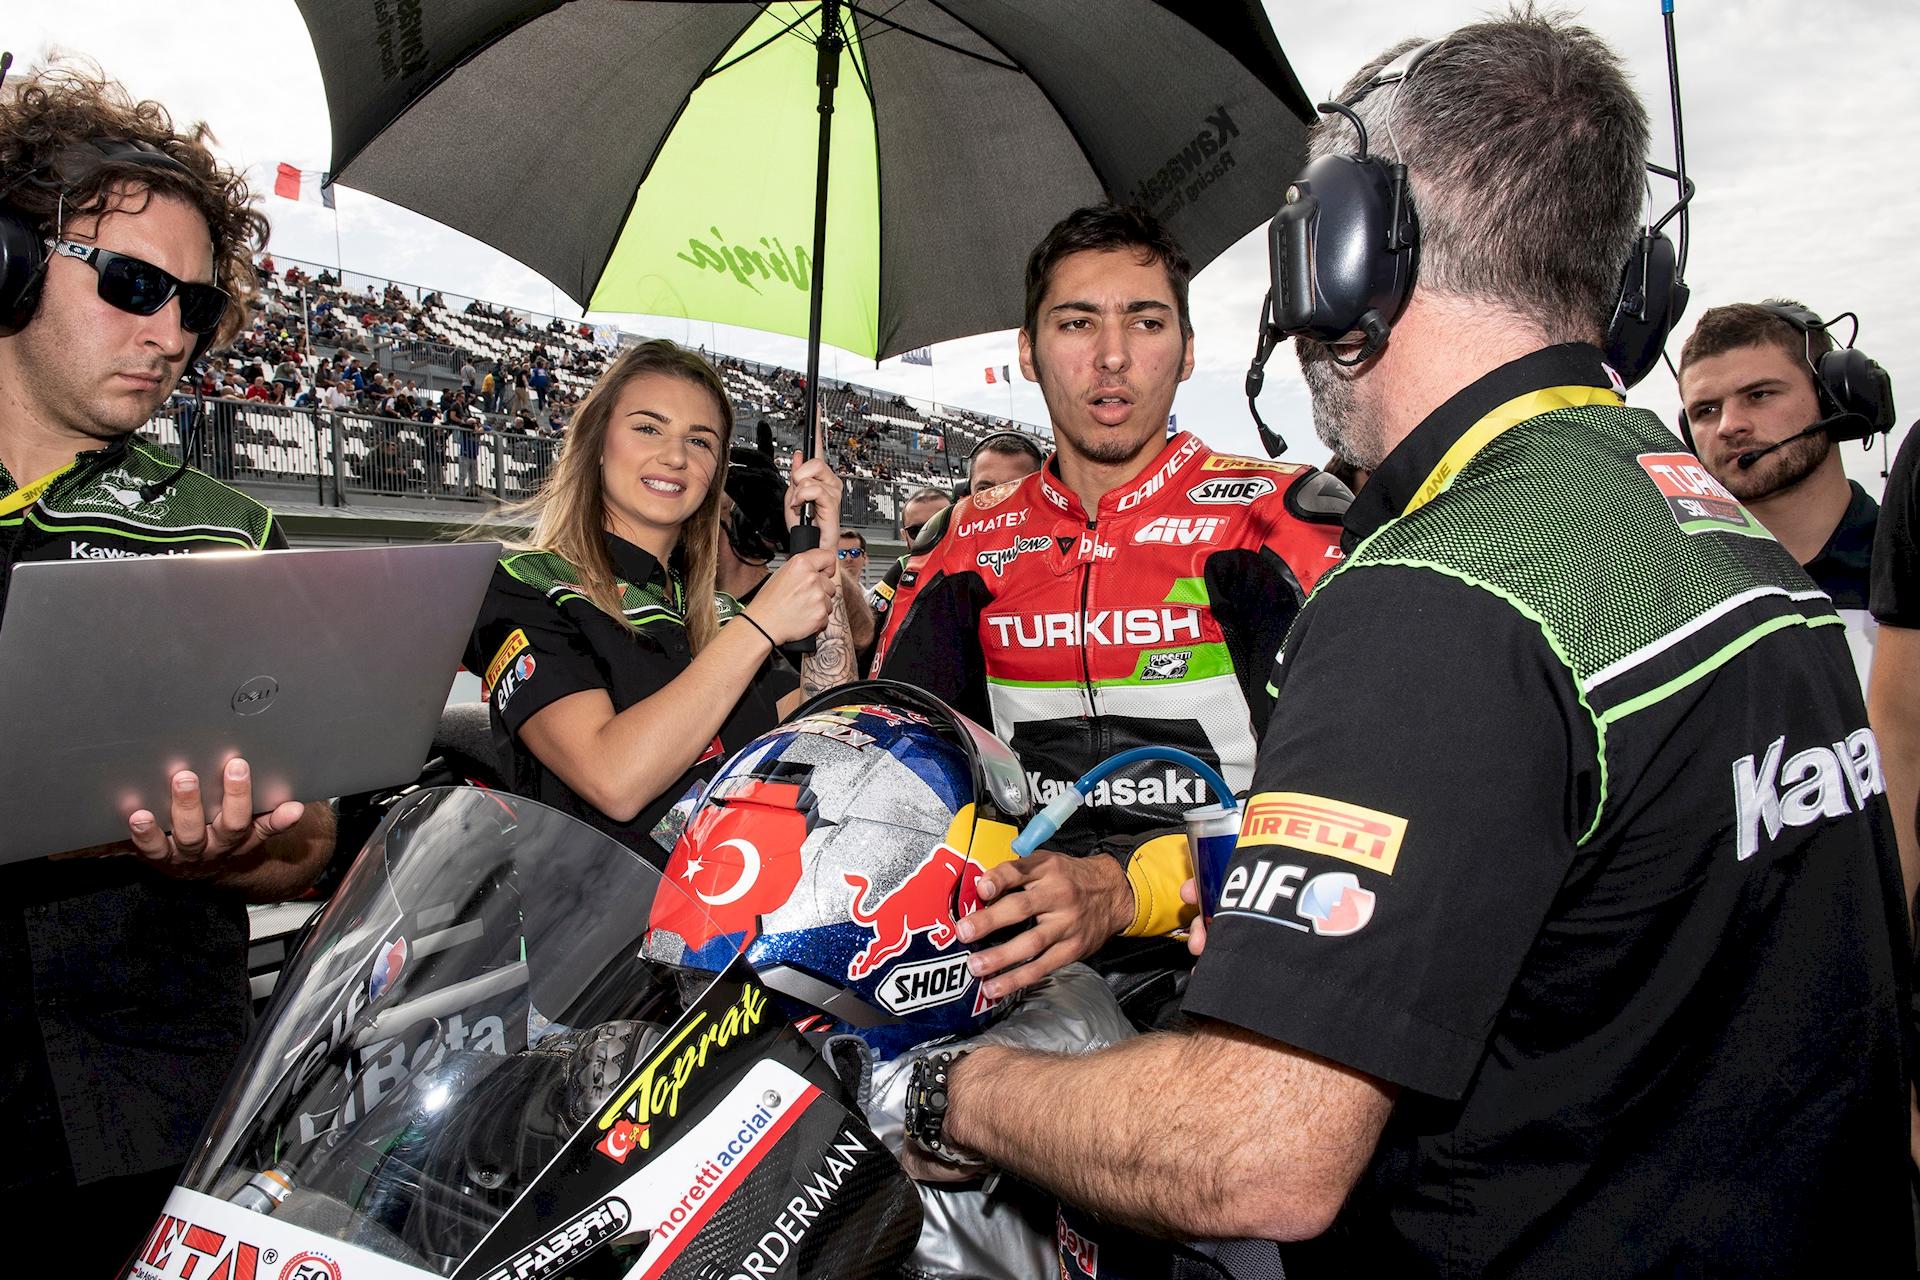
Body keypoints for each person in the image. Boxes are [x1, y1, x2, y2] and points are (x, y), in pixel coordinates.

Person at [900, 15, 1913, 1273]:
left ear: (1349, 255)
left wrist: (951, 1093)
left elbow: (1254, 1151)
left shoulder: (1439, 587)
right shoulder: (1703, 514)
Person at [0, 62, 335, 1271]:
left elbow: (312, 837)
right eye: (134, 285)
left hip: (156, 1106)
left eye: (194, 306)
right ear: (13, 261)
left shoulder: (232, 532)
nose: (168, 334)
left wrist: (245, 836)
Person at [876, 203, 1349, 1018]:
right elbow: (895, 768)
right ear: (1028, 352)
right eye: (1076, 322)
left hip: (1244, 953)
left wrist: (1128, 888)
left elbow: (1357, 804)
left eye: (1146, 321)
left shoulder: (1280, 520)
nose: (1112, 356)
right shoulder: (968, 543)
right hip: (1013, 961)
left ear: (1188, 350)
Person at [462, 340, 856, 861]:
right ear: (598, 441)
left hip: (749, 919)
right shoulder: (523, 582)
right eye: (648, 428)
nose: (675, 456)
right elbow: (614, 780)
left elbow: (831, 743)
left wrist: (822, 558)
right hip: (605, 932)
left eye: (700, 441)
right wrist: (760, 628)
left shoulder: (720, 613)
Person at [1677, 300, 1886, 686]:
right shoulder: (1670, 586)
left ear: (1833, 398)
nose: (1729, 426)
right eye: (1706, 410)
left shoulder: (1903, 566)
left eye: (1759, 395)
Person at [853, 483, 955, 666]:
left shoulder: (984, 562)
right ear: (904, 535)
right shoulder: (901, 570)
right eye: (917, 531)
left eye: (939, 525)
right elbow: (868, 630)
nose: (931, 536)